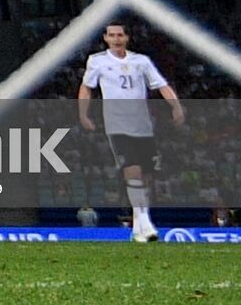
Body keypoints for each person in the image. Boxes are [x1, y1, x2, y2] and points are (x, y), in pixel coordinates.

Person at [78, 22, 185, 243]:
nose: (116, 38)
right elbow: (87, 87)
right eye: (112, 35)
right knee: (132, 170)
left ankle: (138, 225)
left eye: (120, 35)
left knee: (146, 176)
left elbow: (160, 84)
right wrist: (83, 114)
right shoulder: (97, 61)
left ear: (127, 38)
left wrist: (175, 106)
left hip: (143, 124)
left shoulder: (141, 61)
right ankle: (145, 222)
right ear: (106, 38)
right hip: (117, 125)